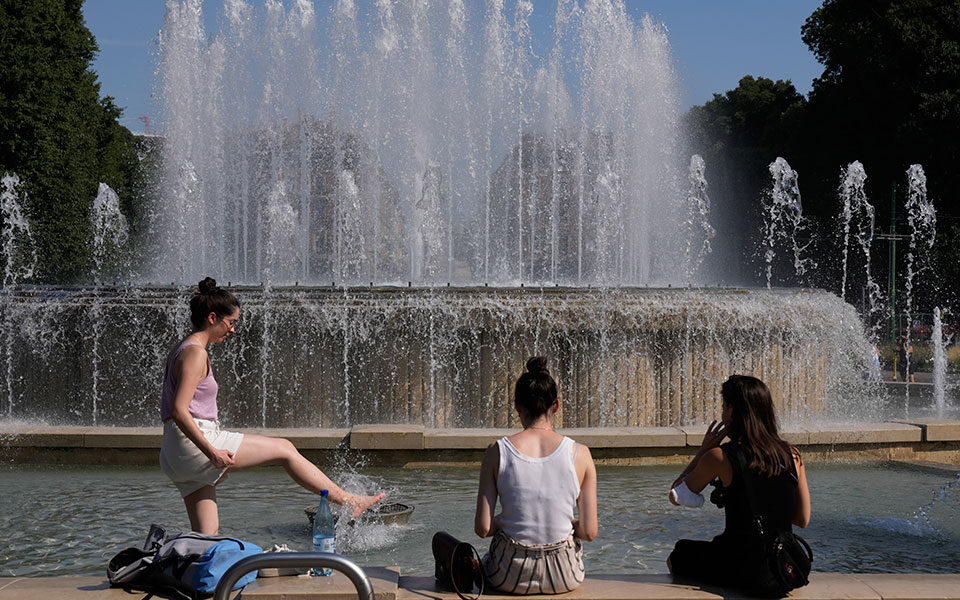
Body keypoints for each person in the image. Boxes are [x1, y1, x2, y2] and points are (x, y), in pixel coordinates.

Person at [159, 277, 383, 534]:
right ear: (212, 318)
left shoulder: (181, 348)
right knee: (285, 449)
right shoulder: (196, 353)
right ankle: (349, 500)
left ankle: (187, 571)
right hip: (195, 444)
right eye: (230, 323)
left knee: (207, 537)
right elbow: (179, 410)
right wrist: (212, 452)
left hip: (173, 453)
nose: (233, 330)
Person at [666, 375, 810, 592]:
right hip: (784, 569)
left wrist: (703, 451)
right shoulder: (792, 454)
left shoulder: (720, 457)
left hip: (744, 567)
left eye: (724, 407)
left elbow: (677, 495)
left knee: (679, 554)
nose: (722, 414)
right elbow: (802, 519)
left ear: (732, 410)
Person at [474, 357, 598, 595]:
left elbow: (482, 528)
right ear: (557, 406)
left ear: (517, 406)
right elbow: (589, 532)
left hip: (508, 575)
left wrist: (503, 521)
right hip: (564, 576)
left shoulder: (497, 452)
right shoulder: (580, 454)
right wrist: (570, 524)